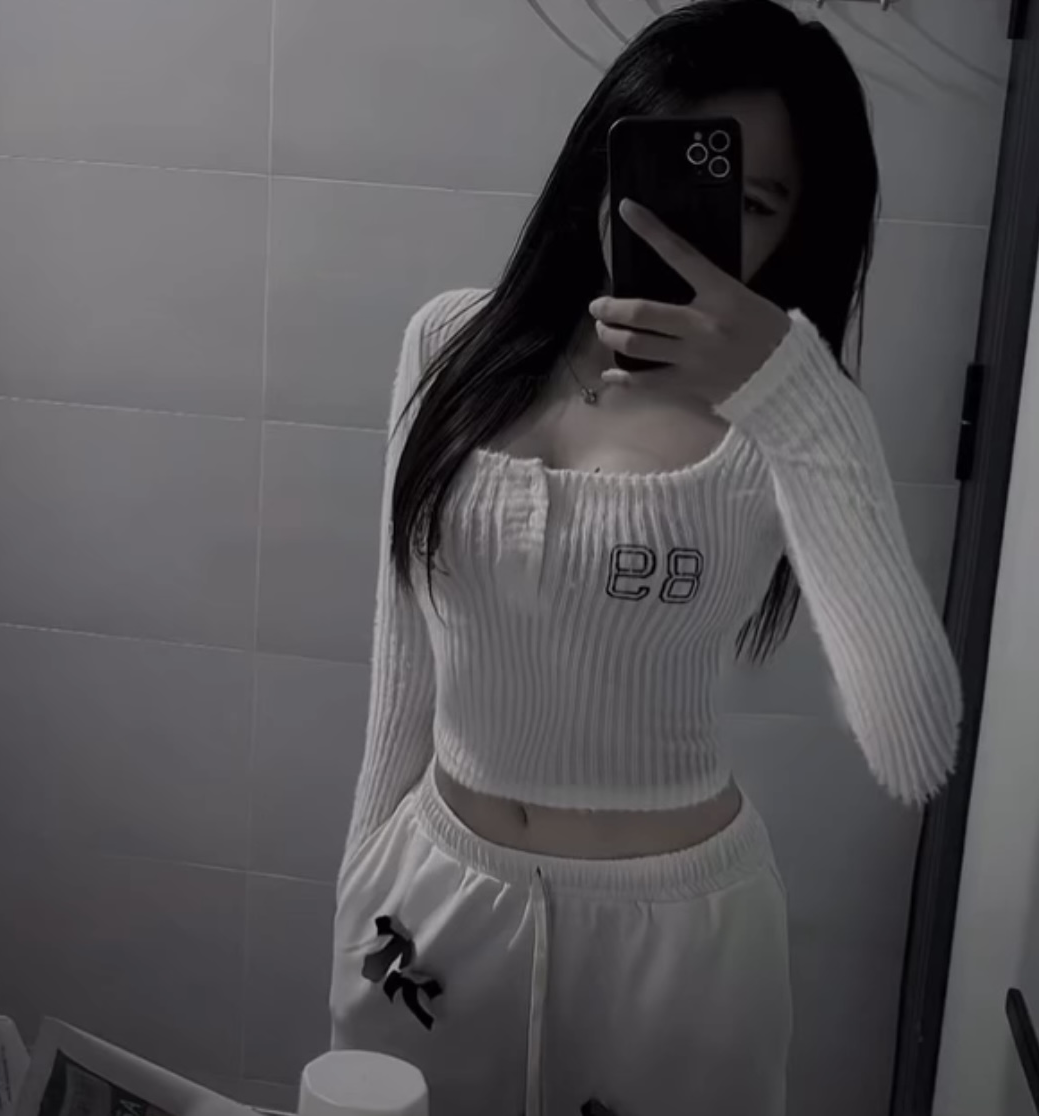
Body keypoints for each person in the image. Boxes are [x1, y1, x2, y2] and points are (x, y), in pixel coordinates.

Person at [328, 2, 963, 1113]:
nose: (688, 225)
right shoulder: (450, 344)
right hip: (431, 899)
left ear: (797, 229)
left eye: (751, 203)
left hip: (671, 938)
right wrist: (359, 896)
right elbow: (403, 671)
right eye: (668, 165)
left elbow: (915, 740)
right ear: (604, 156)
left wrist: (796, 396)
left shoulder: (794, 420)